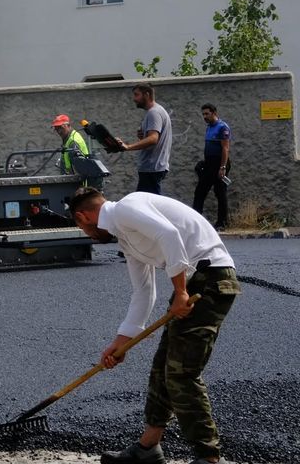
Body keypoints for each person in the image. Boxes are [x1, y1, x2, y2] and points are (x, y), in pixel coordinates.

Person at [68, 187, 239, 464]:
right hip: (194, 281)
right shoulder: (127, 239)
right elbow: (143, 292)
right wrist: (121, 342)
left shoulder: (126, 208)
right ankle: (148, 448)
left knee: (181, 373)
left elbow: (169, 234)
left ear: (82, 217)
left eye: (83, 229)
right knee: (162, 368)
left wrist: (180, 292)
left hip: (211, 279)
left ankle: (209, 457)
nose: (89, 235)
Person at [118, 83, 173, 195]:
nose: (134, 99)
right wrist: (143, 137)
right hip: (152, 168)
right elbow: (152, 137)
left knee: (147, 203)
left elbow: (153, 139)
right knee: (146, 201)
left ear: (147, 95)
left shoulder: (154, 112)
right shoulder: (156, 111)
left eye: (136, 95)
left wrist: (128, 147)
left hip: (152, 168)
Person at [192, 104, 232, 230]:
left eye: (207, 114)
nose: (204, 116)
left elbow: (225, 148)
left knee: (220, 193)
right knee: (200, 192)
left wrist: (223, 167)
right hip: (209, 163)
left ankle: (222, 223)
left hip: (219, 163)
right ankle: (195, 222)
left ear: (214, 113)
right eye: (203, 114)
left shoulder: (222, 127)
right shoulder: (209, 127)